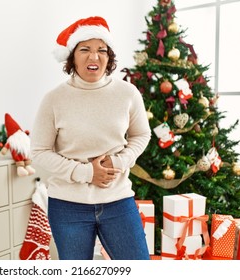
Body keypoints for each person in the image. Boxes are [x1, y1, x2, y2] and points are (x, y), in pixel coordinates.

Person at [30, 16, 151, 260]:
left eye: (101, 50)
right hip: (67, 206)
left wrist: (118, 162)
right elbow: (39, 151)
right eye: (85, 49)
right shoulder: (54, 99)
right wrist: (86, 173)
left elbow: (141, 134)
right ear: (72, 57)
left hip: (118, 201)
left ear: (110, 57)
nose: (94, 57)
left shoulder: (127, 93)